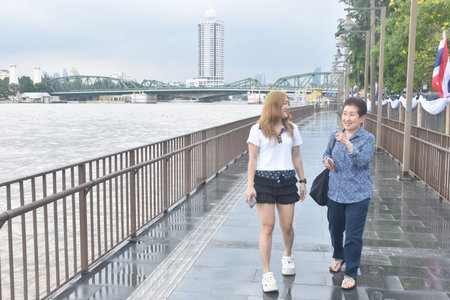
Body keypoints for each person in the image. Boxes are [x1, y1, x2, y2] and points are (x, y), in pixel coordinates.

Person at [245, 90, 307, 292]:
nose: (288, 107)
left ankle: (287, 255)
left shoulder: (293, 129)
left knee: (287, 226)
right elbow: (252, 159)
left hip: (287, 180)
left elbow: (296, 156)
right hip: (264, 181)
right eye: (284, 104)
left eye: (288, 103)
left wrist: (302, 180)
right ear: (274, 106)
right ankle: (266, 273)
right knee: (267, 227)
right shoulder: (258, 129)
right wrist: (250, 185)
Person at [323, 97, 375, 290]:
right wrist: (327, 160)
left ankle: (351, 272)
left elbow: (362, 161)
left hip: (358, 195)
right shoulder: (334, 134)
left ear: (362, 118)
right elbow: (325, 153)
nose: (347, 118)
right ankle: (338, 256)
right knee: (335, 230)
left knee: (353, 236)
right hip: (335, 192)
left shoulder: (368, 138)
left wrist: (348, 143)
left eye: (352, 114)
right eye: (345, 113)